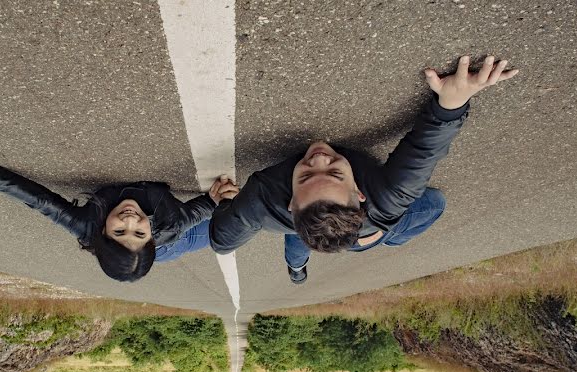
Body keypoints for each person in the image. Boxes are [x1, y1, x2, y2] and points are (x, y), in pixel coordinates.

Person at [208, 55, 519, 284]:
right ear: (358, 193)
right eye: (334, 173)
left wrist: (225, 202)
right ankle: (386, 241)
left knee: (300, 241)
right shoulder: (389, 197)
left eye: (304, 176)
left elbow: (222, 241)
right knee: (434, 204)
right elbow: (425, 150)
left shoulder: (261, 204)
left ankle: (297, 271)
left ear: (291, 204)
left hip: (298, 227)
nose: (317, 158)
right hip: (376, 230)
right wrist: (453, 100)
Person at [0, 150, 238, 282]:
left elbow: (40, 202)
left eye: (119, 231)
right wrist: (213, 199)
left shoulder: (86, 227)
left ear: (102, 233)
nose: (129, 220)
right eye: (137, 232)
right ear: (150, 237)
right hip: (171, 245)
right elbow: (195, 212)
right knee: (226, 230)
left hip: (154, 248)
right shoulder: (170, 230)